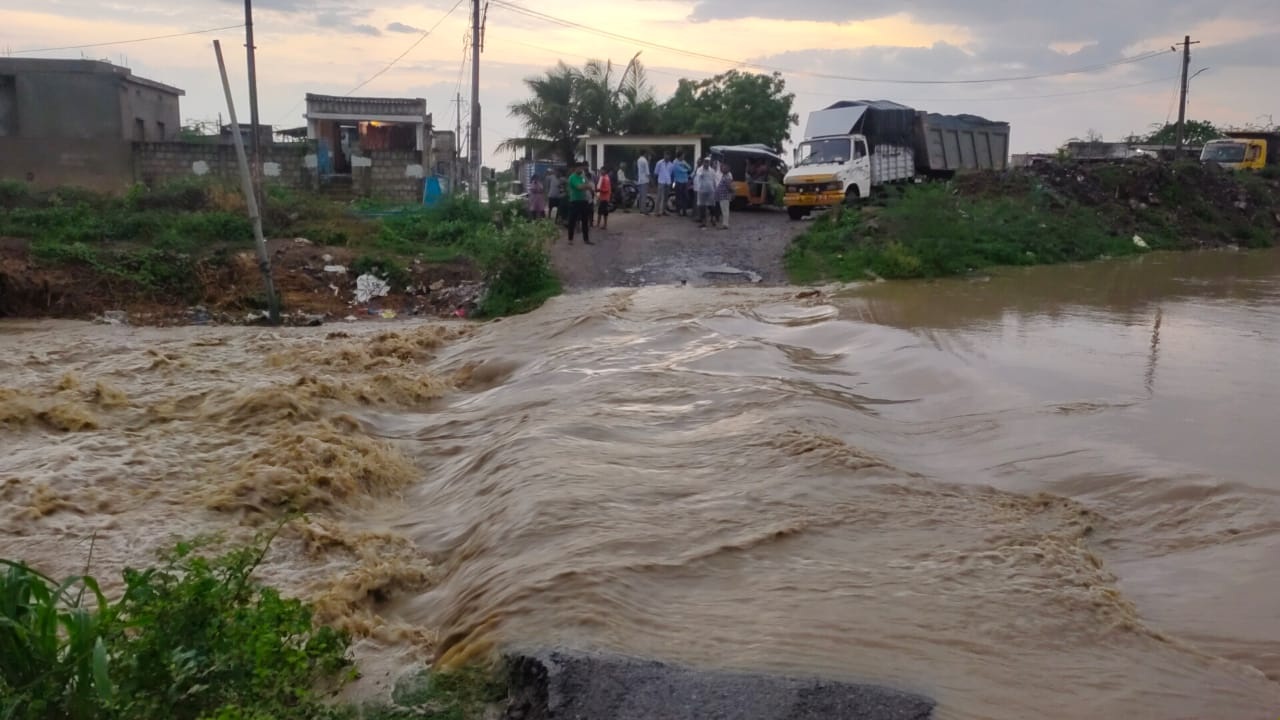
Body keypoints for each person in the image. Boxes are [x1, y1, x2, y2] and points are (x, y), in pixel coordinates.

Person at [565, 163, 594, 245]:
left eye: (582, 168)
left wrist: (586, 186)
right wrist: (586, 186)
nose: (581, 170)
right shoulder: (572, 177)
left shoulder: (582, 177)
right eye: (579, 168)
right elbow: (579, 187)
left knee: (585, 221)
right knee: (572, 221)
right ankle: (570, 239)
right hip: (574, 201)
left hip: (583, 200)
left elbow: (589, 186)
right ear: (575, 168)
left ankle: (586, 239)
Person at [694, 158, 717, 228]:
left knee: (712, 206)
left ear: (709, 163)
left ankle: (713, 218)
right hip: (702, 190)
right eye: (705, 162)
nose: (706, 163)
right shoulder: (700, 170)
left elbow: (714, 180)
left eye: (708, 162)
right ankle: (703, 222)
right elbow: (699, 175)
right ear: (703, 162)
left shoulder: (712, 171)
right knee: (702, 207)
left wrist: (715, 189)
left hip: (711, 190)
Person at [672, 151, 692, 217]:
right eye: (683, 155)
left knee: (685, 197)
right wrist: (686, 170)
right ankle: (678, 211)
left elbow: (690, 168)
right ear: (680, 156)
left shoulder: (683, 161)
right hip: (678, 182)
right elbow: (680, 170)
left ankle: (684, 211)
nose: (684, 156)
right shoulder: (675, 162)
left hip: (685, 181)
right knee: (679, 197)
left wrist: (685, 167)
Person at [716, 162, 734, 229]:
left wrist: (732, 192)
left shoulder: (727, 177)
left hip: (725, 196)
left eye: (723, 168)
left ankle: (725, 224)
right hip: (722, 196)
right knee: (724, 211)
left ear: (727, 170)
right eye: (722, 168)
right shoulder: (724, 176)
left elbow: (730, 187)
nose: (722, 169)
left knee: (725, 211)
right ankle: (725, 224)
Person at [654, 151, 673, 216]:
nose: (667, 157)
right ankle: (656, 212)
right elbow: (656, 173)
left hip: (668, 182)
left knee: (666, 197)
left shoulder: (671, 164)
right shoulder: (659, 163)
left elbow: (670, 174)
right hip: (661, 181)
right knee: (659, 197)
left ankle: (663, 211)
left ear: (669, 156)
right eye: (666, 155)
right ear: (664, 155)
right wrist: (656, 182)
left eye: (668, 155)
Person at [595, 164, 613, 229]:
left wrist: (599, 190)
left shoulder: (605, 178)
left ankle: (602, 225)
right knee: (602, 211)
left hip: (604, 198)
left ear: (605, 171)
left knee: (602, 212)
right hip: (603, 197)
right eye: (600, 170)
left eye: (602, 170)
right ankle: (601, 224)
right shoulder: (604, 177)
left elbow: (606, 189)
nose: (601, 171)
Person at [636, 150, 652, 215]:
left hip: (640, 180)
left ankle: (641, 209)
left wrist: (649, 161)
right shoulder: (645, 161)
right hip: (645, 180)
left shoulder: (639, 160)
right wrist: (651, 180)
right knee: (644, 196)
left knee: (641, 195)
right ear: (645, 154)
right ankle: (644, 210)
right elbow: (647, 172)